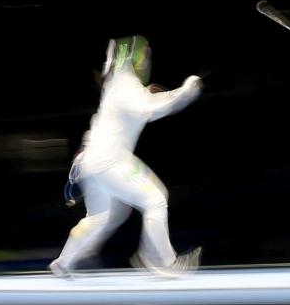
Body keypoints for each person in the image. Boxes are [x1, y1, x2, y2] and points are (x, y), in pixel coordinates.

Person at [51, 35, 203, 277]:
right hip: (109, 160)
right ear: (136, 57)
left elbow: (146, 102)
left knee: (100, 217)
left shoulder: (118, 85)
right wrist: (185, 92)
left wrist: (175, 94)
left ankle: (63, 262)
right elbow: (148, 108)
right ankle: (163, 262)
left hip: (91, 162)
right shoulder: (125, 82)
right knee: (155, 200)